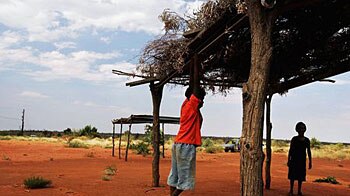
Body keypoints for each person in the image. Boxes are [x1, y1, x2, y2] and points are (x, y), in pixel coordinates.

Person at [167, 56, 205, 196]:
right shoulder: (192, 105)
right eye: (201, 98)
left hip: (178, 144)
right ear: (195, 97)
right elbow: (194, 84)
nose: (202, 101)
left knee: (174, 177)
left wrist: (193, 65)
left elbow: (191, 86)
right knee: (185, 181)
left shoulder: (186, 105)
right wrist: (195, 60)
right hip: (186, 146)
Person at [287, 122, 312, 196]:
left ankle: (299, 191)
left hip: (302, 160)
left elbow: (309, 151)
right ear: (297, 129)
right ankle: (291, 190)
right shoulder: (294, 139)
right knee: (292, 176)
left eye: (303, 128)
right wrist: (289, 160)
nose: (302, 130)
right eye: (300, 128)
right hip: (294, 160)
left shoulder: (307, 140)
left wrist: (310, 161)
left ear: (305, 129)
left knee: (300, 176)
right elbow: (290, 150)